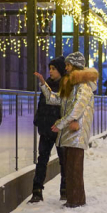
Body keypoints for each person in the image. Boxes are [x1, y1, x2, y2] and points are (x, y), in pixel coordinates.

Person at [36, 52, 97, 208]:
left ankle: (76, 199)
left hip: (76, 133)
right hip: (70, 133)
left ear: (75, 66)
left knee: (74, 167)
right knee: (70, 167)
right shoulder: (72, 86)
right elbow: (54, 99)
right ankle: (73, 198)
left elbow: (77, 109)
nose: (66, 68)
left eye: (69, 65)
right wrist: (44, 84)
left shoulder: (83, 86)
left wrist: (60, 124)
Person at [29, 56, 67, 203]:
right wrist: (39, 121)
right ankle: (37, 190)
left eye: (54, 69)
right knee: (42, 160)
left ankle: (64, 190)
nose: (51, 71)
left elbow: (59, 105)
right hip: (46, 129)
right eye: (50, 68)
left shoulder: (65, 86)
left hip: (59, 129)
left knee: (63, 161)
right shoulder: (47, 84)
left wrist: (60, 124)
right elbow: (42, 105)